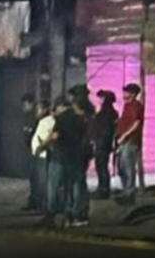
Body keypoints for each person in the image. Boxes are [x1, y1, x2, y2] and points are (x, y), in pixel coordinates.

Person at [36, 97, 83, 228]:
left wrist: (43, 144)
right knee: (70, 188)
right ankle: (69, 216)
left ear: (60, 106)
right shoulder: (79, 119)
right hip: (74, 157)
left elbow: (55, 135)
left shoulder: (60, 119)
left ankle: (50, 215)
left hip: (59, 157)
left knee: (53, 187)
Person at [116, 84, 145, 204]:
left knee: (128, 168)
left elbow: (136, 123)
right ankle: (125, 192)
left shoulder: (136, 106)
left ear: (132, 94)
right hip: (123, 141)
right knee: (121, 168)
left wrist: (125, 135)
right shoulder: (127, 106)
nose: (124, 94)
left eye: (126, 92)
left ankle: (129, 194)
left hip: (130, 141)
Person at [69, 89, 94, 227]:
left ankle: (79, 213)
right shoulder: (89, 119)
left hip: (79, 155)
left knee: (78, 184)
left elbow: (83, 140)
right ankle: (81, 212)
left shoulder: (82, 121)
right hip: (83, 155)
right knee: (80, 183)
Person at [93, 90, 119, 200]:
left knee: (101, 166)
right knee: (101, 166)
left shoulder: (107, 113)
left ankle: (103, 189)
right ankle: (102, 188)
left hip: (103, 143)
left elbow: (105, 129)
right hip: (104, 142)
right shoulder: (110, 112)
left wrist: (99, 140)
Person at [30, 99, 53, 213]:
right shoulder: (41, 121)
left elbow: (49, 137)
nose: (36, 112)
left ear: (45, 109)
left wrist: (41, 146)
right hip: (38, 155)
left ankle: (45, 205)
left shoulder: (49, 121)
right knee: (38, 181)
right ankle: (38, 203)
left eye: (38, 109)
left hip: (44, 155)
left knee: (43, 181)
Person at [20, 93, 41, 211]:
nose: (23, 108)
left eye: (25, 105)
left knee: (36, 178)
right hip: (29, 151)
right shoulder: (26, 117)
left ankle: (37, 201)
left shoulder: (35, 118)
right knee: (32, 178)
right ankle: (33, 200)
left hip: (35, 151)